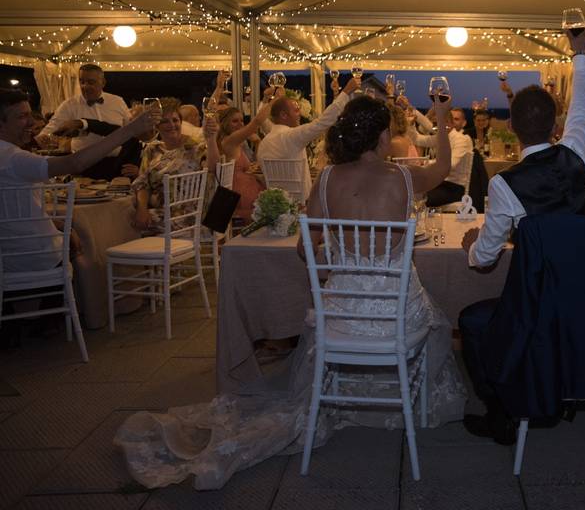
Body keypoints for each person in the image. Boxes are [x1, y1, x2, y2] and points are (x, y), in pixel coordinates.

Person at [114, 95, 466, 491]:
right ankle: (407, 392)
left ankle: (342, 387)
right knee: (436, 319)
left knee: (361, 308)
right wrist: (439, 116)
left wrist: (334, 254)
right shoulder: (405, 178)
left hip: (341, 316)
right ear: (383, 135)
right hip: (396, 316)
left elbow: (304, 248)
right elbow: (443, 166)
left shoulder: (329, 178)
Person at [457, 29, 585, 445]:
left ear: (511, 127)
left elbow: (484, 259)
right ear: (555, 124)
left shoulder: (504, 185)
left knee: (471, 321)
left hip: (539, 311)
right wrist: (581, 56)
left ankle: (502, 413)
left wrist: (471, 246)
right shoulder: (576, 156)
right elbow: (582, 109)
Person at [0, 90, 159, 272]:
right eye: (22, 116)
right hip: (37, 256)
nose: (31, 122)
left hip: (13, 253)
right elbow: (75, 163)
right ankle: (114, 294)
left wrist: (58, 226)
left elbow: (18, 211)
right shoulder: (13, 159)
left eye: (30, 115)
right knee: (95, 250)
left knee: (78, 234)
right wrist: (131, 129)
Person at [257, 78, 358, 196]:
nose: (299, 114)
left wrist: (265, 99)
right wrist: (345, 92)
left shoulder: (269, 136)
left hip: (274, 202)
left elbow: (261, 119)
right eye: (296, 111)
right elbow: (322, 122)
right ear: (283, 115)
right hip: (302, 203)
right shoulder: (291, 137)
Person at [132, 98, 219, 232]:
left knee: (126, 223)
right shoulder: (152, 150)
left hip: (192, 216)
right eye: (165, 121)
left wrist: (211, 139)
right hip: (162, 212)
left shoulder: (194, 147)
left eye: (175, 120)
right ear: (156, 125)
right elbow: (142, 184)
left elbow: (213, 169)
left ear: (181, 122)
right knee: (128, 216)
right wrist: (142, 209)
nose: (171, 125)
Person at [37, 63, 131, 179]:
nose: (85, 86)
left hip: (116, 164)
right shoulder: (69, 105)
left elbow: (130, 131)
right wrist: (44, 136)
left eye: (91, 82)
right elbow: (52, 127)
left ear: (103, 83)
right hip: (83, 166)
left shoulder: (117, 101)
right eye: (82, 81)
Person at [216, 103, 272, 223]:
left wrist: (257, 142)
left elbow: (256, 161)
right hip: (238, 192)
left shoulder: (233, 141)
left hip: (244, 185)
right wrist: (274, 100)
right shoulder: (229, 141)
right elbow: (257, 122)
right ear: (225, 123)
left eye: (241, 120)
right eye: (235, 121)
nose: (240, 124)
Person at [423, 107, 473, 207]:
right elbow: (418, 140)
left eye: (440, 123)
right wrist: (411, 121)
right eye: (436, 123)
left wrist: (425, 163)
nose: (437, 126)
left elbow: (451, 164)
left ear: (449, 123)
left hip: (454, 187)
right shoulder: (442, 137)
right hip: (440, 183)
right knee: (415, 193)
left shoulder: (460, 139)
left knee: (422, 197)